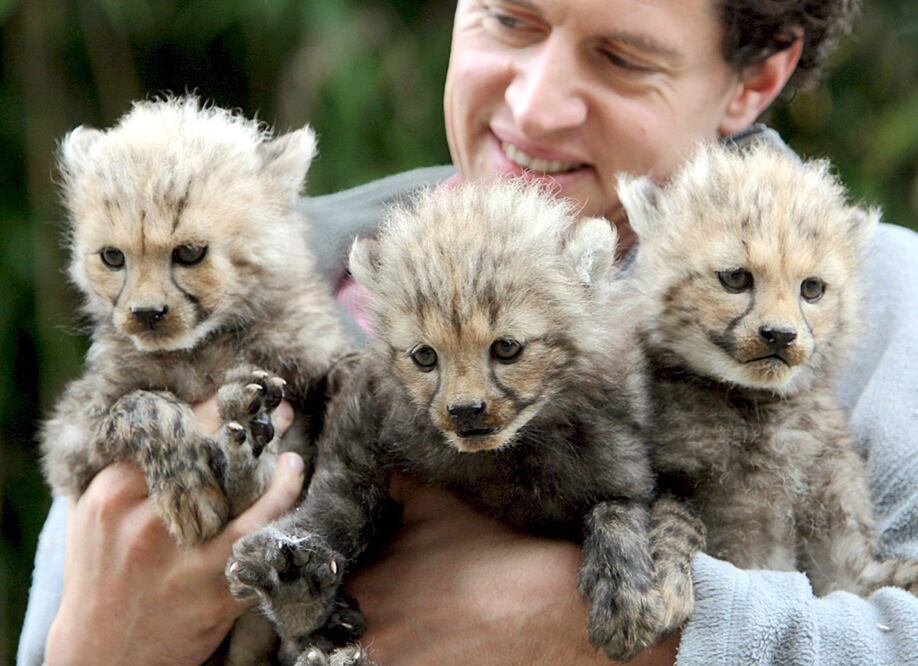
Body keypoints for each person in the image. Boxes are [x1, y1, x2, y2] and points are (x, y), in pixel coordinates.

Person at [19, 0, 918, 664]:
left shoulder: (886, 301)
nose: (535, 105)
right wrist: (99, 646)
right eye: (508, 20)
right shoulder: (226, 286)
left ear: (756, 79)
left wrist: (600, 633)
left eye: (621, 58)